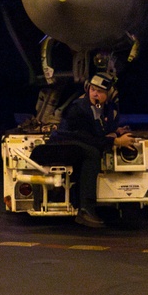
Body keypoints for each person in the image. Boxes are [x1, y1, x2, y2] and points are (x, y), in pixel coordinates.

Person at [43, 73, 135, 228]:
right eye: (93, 89)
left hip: (80, 142)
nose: (95, 94)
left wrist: (115, 131)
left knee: (93, 149)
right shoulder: (79, 108)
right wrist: (116, 141)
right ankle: (86, 210)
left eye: (100, 91)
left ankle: (87, 205)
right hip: (65, 142)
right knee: (92, 152)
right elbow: (87, 137)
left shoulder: (101, 107)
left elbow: (98, 129)